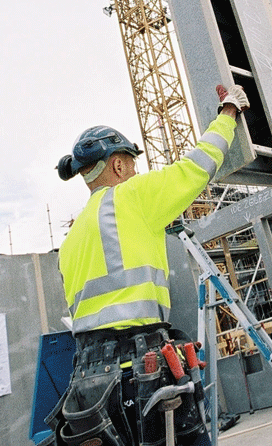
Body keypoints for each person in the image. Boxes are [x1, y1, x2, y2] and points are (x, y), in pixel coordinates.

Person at [47, 83, 249, 446]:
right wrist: (229, 112)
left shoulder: (73, 238)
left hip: (90, 387)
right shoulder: (134, 196)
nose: (136, 173)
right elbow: (199, 165)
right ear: (119, 164)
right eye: (133, 166)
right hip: (142, 373)